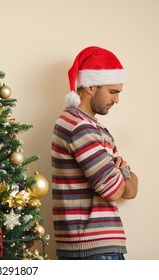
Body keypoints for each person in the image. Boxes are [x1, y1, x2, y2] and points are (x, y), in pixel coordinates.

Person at [51, 46, 138, 260]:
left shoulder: (96, 128)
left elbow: (131, 191)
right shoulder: (78, 126)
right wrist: (123, 170)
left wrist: (122, 173)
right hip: (90, 250)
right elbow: (114, 191)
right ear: (90, 86)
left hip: (100, 248)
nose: (116, 100)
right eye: (113, 91)